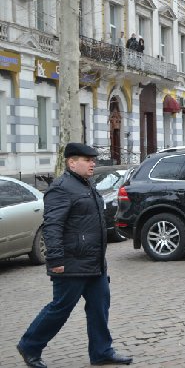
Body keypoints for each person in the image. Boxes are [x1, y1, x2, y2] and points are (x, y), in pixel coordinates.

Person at [17, 143, 133, 368]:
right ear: (71, 162)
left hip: (95, 262)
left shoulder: (86, 184)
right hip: (71, 263)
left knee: (99, 307)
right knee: (60, 308)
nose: (93, 163)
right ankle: (30, 345)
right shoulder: (61, 188)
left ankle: (101, 352)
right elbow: (52, 226)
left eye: (93, 160)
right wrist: (56, 260)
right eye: (87, 160)